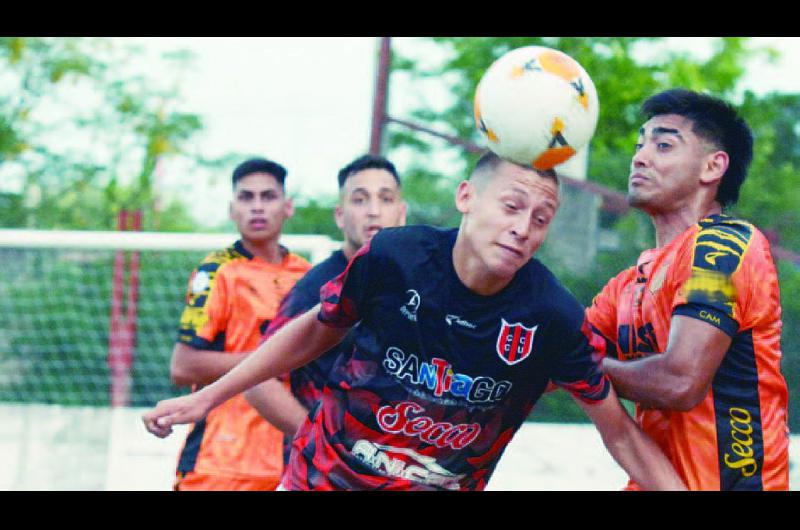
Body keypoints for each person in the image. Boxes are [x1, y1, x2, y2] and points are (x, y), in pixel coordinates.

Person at [144, 152, 686, 491]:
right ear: (466, 197)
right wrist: (206, 397)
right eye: (512, 206)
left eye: (540, 218)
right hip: (320, 481)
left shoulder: (552, 316)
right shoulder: (394, 258)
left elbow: (622, 432)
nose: (523, 227)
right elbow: (314, 328)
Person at [586, 89, 790, 490]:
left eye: (663, 145)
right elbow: (555, 346)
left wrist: (580, 368)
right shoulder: (626, 286)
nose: (640, 157)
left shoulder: (724, 246)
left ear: (713, 166)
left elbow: (679, 382)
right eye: (640, 144)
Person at [243, 154, 407, 446]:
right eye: (359, 200)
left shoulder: (416, 283)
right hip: (324, 475)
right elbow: (258, 381)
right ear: (340, 216)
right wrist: (319, 442)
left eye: (385, 199)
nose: (373, 211)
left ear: (401, 212)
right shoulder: (317, 288)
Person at [168, 158, 311, 491]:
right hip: (219, 467)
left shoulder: (307, 275)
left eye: (268, 196)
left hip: (288, 466)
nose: (257, 207)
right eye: (246, 198)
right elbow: (183, 366)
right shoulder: (217, 272)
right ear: (232, 209)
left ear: (287, 206)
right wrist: (272, 360)